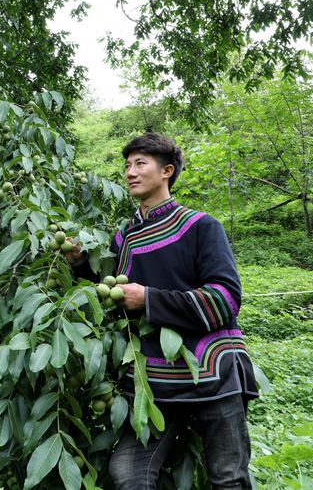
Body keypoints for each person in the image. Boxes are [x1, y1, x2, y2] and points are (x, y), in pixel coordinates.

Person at [66, 133, 257, 489]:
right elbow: (109, 290)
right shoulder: (123, 237)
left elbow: (226, 300)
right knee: (128, 473)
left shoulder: (201, 226)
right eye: (127, 166)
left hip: (213, 371)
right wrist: (79, 264)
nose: (130, 173)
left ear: (167, 171)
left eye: (140, 164)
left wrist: (149, 299)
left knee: (228, 478)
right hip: (154, 383)